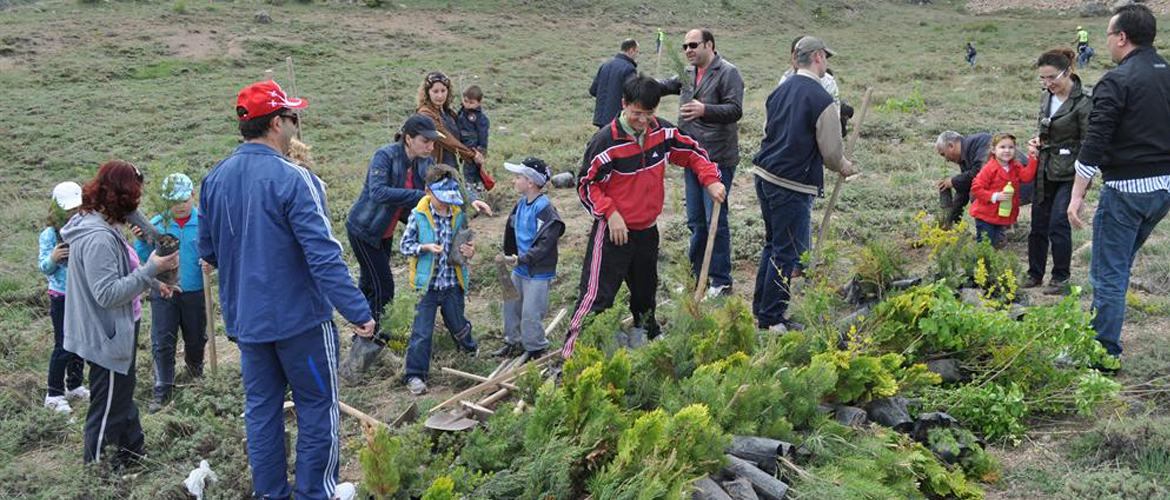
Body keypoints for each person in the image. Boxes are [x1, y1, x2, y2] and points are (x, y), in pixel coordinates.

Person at [198, 80, 371, 500]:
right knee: (316, 406)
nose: (296, 122)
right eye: (292, 116)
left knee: (261, 411)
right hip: (301, 322)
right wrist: (358, 311)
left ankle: (271, 493)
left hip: (247, 323)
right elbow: (323, 255)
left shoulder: (214, 179)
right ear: (277, 123)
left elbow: (208, 250)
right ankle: (316, 493)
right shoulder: (295, 180)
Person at [563, 74, 725, 357]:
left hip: (647, 228)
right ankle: (572, 356)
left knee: (645, 292)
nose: (643, 120)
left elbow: (693, 152)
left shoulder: (661, 132)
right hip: (614, 231)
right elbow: (587, 185)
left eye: (649, 114)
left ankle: (645, 337)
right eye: (637, 113)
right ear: (624, 104)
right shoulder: (605, 141)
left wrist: (710, 179)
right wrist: (610, 213)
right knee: (597, 297)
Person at [1069, 3, 1170, 361]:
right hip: (1162, 192)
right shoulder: (1166, 72)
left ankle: (1101, 352)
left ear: (1122, 37)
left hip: (1127, 192)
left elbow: (1095, 141)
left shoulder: (1118, 80)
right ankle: (1100, 336)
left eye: (1109, 35)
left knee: (1108, 272)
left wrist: (1076, 196)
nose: (1107, 42)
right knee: (1119, 265)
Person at [62, 160, 179, 466]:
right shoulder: (99, 236)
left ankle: (133, 453)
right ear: (123, 196)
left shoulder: (104, 224)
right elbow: (107, 294)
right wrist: (152, 268)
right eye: (135, 196)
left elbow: (120, 272)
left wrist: (152, 280)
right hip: (107, 331)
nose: (138, 203)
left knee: (121, 395)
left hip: (119, 325)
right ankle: (96, 468)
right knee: (108, 404)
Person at [752, 37, 855, 332]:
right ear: (819, 57)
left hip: (764, 175)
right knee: (785, 253)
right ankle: (772, 319)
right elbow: (832, 153)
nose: (827, 66)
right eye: (826, 59)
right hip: (791, 184)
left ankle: (762, 308)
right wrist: (843, 166)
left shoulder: (780, 90)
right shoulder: (822, 99)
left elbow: (769, 130)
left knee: (773, 245)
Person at [341, 114, 437, 379]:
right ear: (408, 138)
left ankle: (364, 334)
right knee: (384, 285)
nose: (430, 146)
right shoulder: (385, 156)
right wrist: (421, 196)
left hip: (384, 231)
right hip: (364, 229)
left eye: (432, 142)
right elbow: (378, 192)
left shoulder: (424, 162)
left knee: (371, 284)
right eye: (425, 141)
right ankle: (377, 340)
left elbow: (433, 187)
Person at [659, 28, 744, 299]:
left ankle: (721, 281)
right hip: (690, 157)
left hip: (717, 158)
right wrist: (637, 82)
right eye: (684, 46)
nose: (688, 50)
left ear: (709, 44)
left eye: (693, 45)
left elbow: (735, 110)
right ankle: (698, 278)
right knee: (696, 221)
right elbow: (665, 86)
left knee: (715, 221)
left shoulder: (728, 72)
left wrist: (704, 109)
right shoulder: (687, 73)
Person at [131, 173, 208, 414]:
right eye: (174, 201)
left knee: (196, 337)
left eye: (184, 199)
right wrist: (142, 242)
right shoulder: (157, 225)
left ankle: (195, 373)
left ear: (192, 195)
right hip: (165, 292)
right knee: (163, 340)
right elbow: (144, 257)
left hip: (195, 290)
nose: (180, 206)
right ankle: (163, 387)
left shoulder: (204, 222)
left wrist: (211, 261)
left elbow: (214, 247)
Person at [399, 166, 479, 395]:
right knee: (422, 332)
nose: (446, 204)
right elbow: (404, 246)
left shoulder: (457, 214)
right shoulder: (418, 215)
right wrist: (423, 248)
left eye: (449, 198)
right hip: (427, 286)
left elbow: (465, 243)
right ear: (427, 192)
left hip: (452, 283)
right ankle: (415, 375)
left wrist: (469, 251)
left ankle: (469, 350)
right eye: (441, 198)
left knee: (458, 324)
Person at [1023, 48, 1091, 294]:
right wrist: (1036, 141)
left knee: (1058, 224)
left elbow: (1089, 145)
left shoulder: (1084, 103)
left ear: (1069, 72)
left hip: (1070, 174)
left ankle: (1060, 278)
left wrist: (1082, 189)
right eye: (1042, 78)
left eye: (1052, 77)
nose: (1047, 83)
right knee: (1038, 224)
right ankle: (1034, 274)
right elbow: (1044, 129)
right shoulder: (1045, 97)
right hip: (1044, 168)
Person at [495, 157, 565, 358]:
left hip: (536, 271)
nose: (513, 181)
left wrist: (524, 259)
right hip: (519, 268)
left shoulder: (544, 209)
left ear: (531, 182)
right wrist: (510, 256)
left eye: (518, 177)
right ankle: (513, 341)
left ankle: (536, 348)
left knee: (531, 313)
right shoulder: (520, 204)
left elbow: (546, 242)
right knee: (511, 307)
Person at [40, 181, 88, 415]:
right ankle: (54, 393)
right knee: (63, 344)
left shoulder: (85, 229)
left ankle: (75, 384)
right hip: (61, 297)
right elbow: (44, 267)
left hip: (83, 295)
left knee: (80, 342)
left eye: (74, 209)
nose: (71, 214)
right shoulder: (49, 235)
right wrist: (54, 257)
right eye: (66, 210)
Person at [415, 72, 493, 215]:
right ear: (427, 92)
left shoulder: (448, 112)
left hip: (454, 169)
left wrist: (479, 151)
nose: (440, 95)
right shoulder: (426, 114)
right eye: (435, 91)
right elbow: (446, 139)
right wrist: (471, 155)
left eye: (443, 91)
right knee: (443, 212)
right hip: (437, 171)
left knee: (458, 210)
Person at [935, 131, 1029, 227]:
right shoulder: (966, 154)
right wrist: (951, 222)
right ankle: (999, 227)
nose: (946, 160)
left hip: (1025, 181)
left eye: (943, 154)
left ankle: (992, 232)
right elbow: (963, 190)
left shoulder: (982, 142)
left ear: (951, 146)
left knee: (977, 194)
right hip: (1012, 185)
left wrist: (953, 181)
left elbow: (980, 172)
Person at [969, 133, 1039, 247]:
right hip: (985, 214)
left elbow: (1026, 176)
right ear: (993, 150)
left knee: (995, 243)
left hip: (1000, 215)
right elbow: (976, 189)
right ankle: (979, 264)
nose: (1007, 150)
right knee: (985, 244)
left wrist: (1032, 157)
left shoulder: (1014, 166)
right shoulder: (989, 169)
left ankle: (989, 263)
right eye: (1002, 147)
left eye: (1011, 147)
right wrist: (995, 196)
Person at [589, 38, 639, 128]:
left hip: (601, 118)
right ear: (631, 50)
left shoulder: (605, 65)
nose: (636, 55)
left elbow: (593, 90)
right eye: (637, 52)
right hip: (618, 120)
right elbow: (633, 94)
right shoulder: (629, 68)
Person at [457, 85, 491, 191]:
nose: (467, 105)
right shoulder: (463, 111)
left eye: (471, 103)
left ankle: (472, 186)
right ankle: (471, 185)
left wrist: (482, 149)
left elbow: (483, 134)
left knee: (471, 166)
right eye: (466, 101)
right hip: (462, 141)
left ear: (478, 103)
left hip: (472, 144)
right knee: (465, 166)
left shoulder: (479, 117)